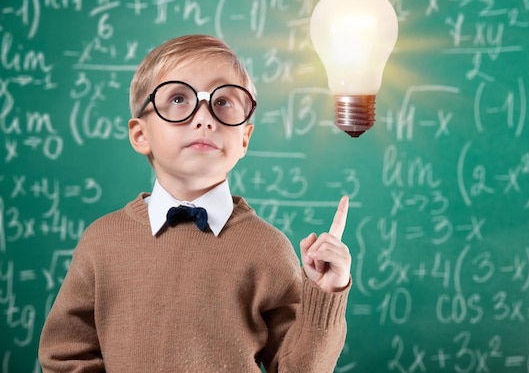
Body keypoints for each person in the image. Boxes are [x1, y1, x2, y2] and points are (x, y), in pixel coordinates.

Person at [38, 34, 352, 372]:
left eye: (222, 102)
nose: (204, 118)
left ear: (244, 138)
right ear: (140, 134)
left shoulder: (267, 248)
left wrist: (324, 295)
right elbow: (65, 354)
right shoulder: (102, 240)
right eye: (177, 98)